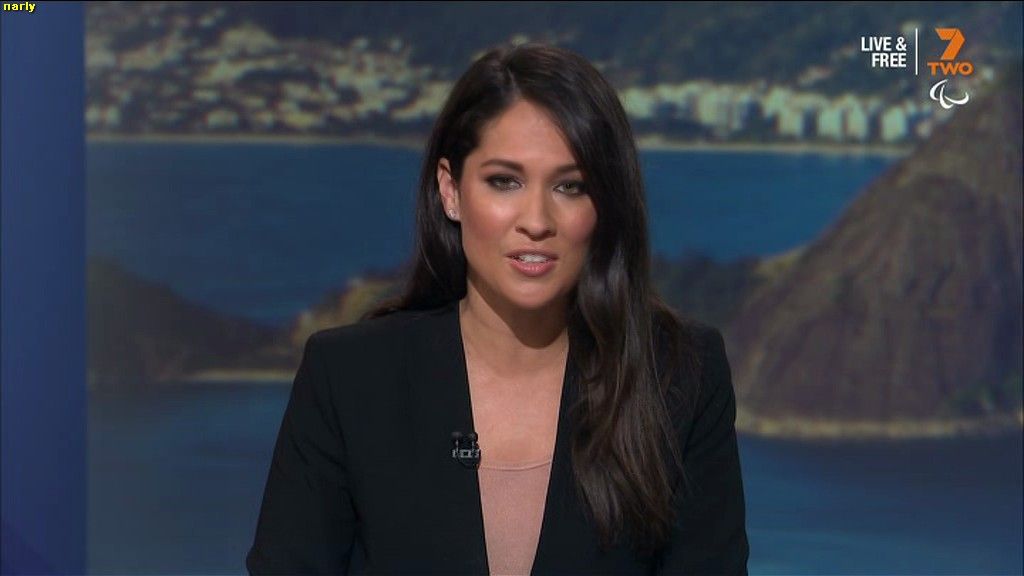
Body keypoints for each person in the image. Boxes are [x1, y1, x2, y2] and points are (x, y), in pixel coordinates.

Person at [246, 42, 748, 575]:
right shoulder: (348, 377)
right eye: (504, 181)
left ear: (606, 204)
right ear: (451, 191)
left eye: (570, 186)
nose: (536, 220)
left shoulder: (680, 375)